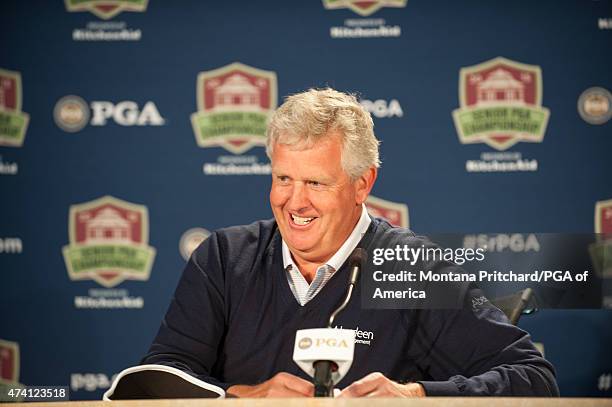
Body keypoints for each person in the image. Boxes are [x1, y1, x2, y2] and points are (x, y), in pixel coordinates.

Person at [142, 88, 559, 398]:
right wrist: (243, 397)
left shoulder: (415, 268)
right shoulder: (223, 258)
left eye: (316, 183)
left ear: (363, 184)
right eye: (283, 178)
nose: (294, 201)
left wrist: (417, 396)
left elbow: (534, 379)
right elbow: (157, 380)